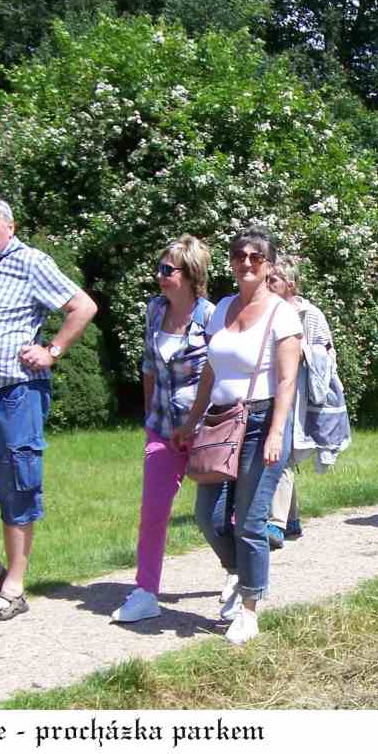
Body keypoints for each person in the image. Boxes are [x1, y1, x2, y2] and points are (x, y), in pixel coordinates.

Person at [0, 194, 96, 623]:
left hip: (16, 392)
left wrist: (53, 349)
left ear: (9, 228)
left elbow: (83, 305)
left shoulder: (29, 262)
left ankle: (15, 584)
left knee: (17, 482)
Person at [173, 231, 300, 646]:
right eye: (239, 255)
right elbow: (210, 369)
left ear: (269, 264)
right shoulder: (222, 308)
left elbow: (286, 380)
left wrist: (276, 433)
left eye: (255, 256)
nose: (246, 262)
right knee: (208, 517)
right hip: (220, 422)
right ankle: (238, 572)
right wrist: (193, 419)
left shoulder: (283, 314)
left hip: (262, 422)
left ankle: (248, 609)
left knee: (249, 522)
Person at [113, 233, 213, 625]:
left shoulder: (210, 317)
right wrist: (148, 418)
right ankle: (145, 591)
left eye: (167, 269)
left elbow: (217, 376)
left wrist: (195, 423)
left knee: (218, 516)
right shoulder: (155, 310)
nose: (159, 275)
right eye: (160, 267)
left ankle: (236, 578)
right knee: (152, 512)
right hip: (161, 428)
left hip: (203, 429)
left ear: (190, 275)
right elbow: (148, 368)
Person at [263, 256, 347, 548]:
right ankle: (292, 519)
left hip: (298, 395)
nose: (267, 284)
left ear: (290, 283)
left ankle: (275, 523)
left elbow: (327, 355)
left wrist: (300, 353)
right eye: (267, 279)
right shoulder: (263, 311)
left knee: (281, 452)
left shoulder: (309, 314)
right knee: (280, 452)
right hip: (269, 390)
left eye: (273, 280)